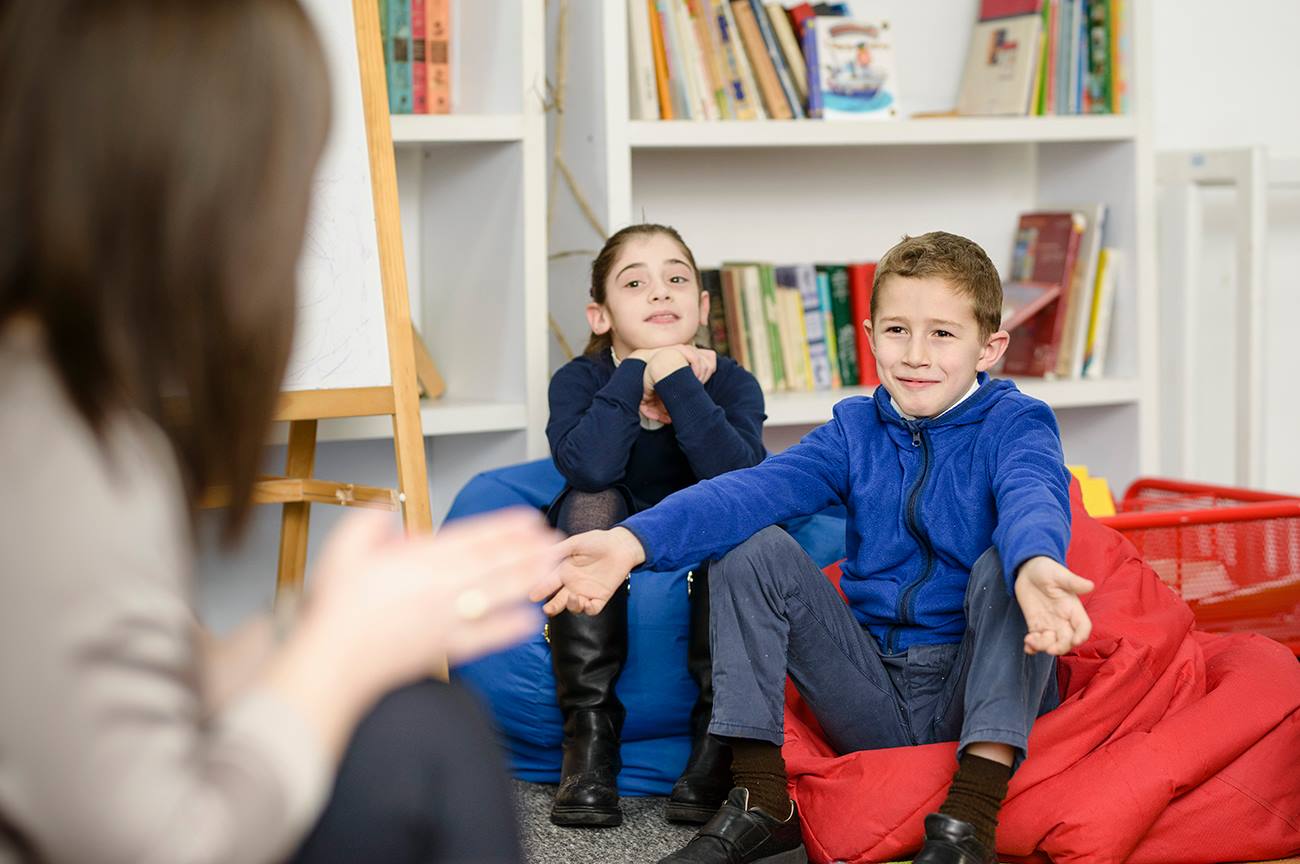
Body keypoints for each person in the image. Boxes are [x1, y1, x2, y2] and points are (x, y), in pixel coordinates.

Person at [0, 2, 557, 863]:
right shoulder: (58, 446)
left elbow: (100, 700)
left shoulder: (48, 396)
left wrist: (317, 631)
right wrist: (334, 656)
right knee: (422, 732)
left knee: (414, 723)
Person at [535, 232, 1096, 864]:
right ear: (870, 335)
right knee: (748, 544)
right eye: (897, 331)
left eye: (942, 334)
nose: (915, 355)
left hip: (973, 688)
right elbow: (750, 490)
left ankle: (971, 817)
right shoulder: (855, 429)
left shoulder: (1016, 423)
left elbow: (1032, 494)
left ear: (988, 347)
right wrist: (630, 541)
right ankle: (761, 796)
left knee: (1008, 564)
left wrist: (1036, 561)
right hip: (873, 688)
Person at [544, 223, 767, 829]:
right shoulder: (578, 380)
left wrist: (676, 380)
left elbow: (738, 478)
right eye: (635, 283)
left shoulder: (732, 382)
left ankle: (716, 738)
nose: (659, 292)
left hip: (698, 531)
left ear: (702, 305)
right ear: (600, 316)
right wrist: (635, 372)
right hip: (606, 524)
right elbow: (589, 466)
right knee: (591, 497)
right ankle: (589, 736)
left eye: (675, 279)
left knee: (740, 523)